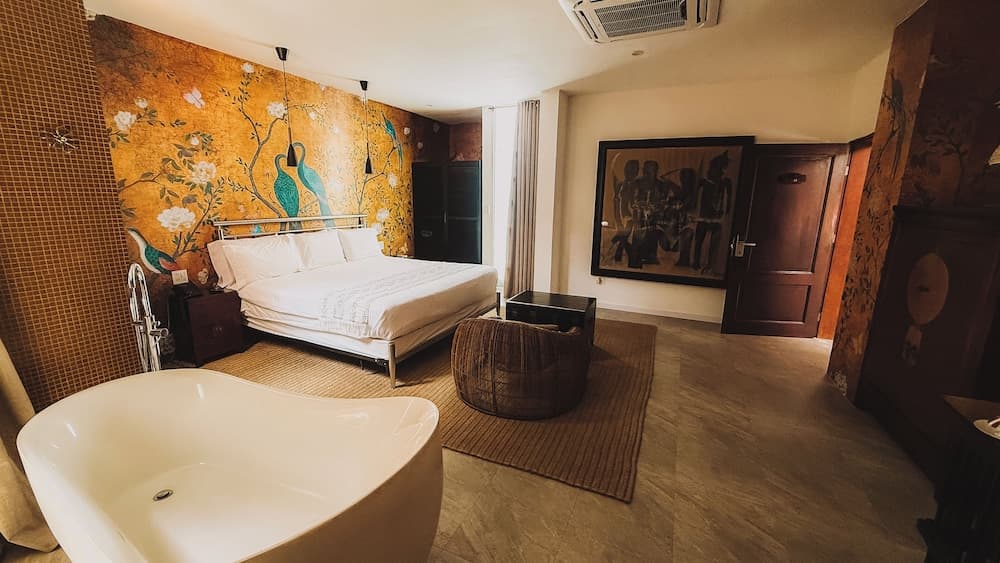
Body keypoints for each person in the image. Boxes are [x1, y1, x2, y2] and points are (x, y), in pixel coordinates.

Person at [692, 151, 733, 274]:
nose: (721, 171)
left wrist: (726, 213)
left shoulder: (726, 182)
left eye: (722, 168)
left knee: (714, 244)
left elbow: (729, 200)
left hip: (717, 216)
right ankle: (696, 263)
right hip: (703, 216)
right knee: (699, 240)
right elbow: (693, 195)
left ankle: (710, 265)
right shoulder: (704, 182)